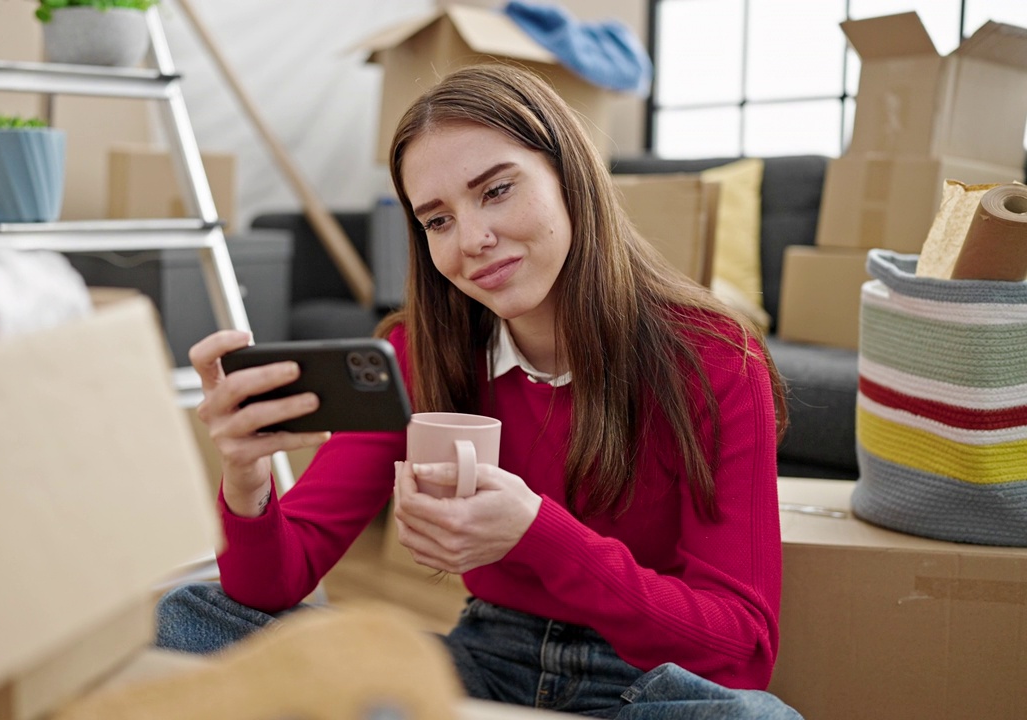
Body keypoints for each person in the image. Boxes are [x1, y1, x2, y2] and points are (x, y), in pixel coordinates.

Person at [157, 63, 800, 719]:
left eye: (496, 190)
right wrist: (247, 478)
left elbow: (740, 652)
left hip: (645, 682)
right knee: (190, 616)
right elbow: (274, 584)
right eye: (436, 221)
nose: (472, 240)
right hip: (483, 664)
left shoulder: (716, 358)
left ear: (569, 177)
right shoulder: (418, 355)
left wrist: (536, 534)